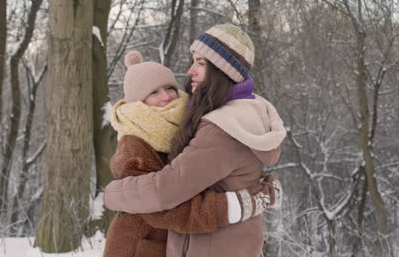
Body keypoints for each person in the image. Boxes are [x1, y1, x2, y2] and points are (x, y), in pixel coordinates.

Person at [103, 50, 282, 257]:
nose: (166, 97)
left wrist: (259, 184)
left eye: (169, 88)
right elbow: (163, 208)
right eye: (153, 93)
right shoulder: (133, 144)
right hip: (138, 247)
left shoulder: (190, 125)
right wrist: (235, 206)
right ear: (137, 103)